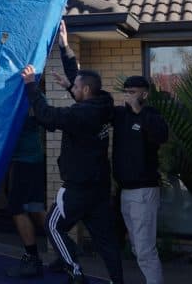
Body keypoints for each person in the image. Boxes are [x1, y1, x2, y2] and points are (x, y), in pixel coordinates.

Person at [22, 22, 123, 284]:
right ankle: (117, 280)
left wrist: (32, 85)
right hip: (99, 188)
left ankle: (74, 271)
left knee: (53, 227)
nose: (72, 88)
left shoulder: (80, 114)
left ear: (85, 91)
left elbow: (47, 116)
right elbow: (80, 82)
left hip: (77, 189)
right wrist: (65, 47)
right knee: (105, 241)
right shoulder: (104, 103)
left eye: (75, 88)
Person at [113, 75, 167, 284]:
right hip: (125, 191)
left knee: (145, 250)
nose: (128, 96)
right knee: (137, 247)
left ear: (144, 94)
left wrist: (138, 110)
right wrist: (71, 85)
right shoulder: (120, 115)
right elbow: (93, 104)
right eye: (126, 92)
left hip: (144, 191)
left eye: (132, 92)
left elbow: (161, 136)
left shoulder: (151, 115)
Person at [4, 76, 48, 278]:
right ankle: (67, 252)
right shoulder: (38, 98)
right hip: (34, 161)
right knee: (36, 208)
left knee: (17, 208)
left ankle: (32, 259)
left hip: (25, 163)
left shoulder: (22, 101)